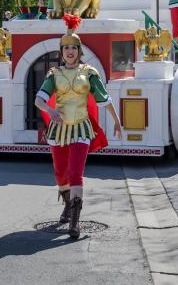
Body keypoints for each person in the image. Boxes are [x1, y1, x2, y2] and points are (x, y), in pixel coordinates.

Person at [34, 14, 123, 239]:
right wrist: (51, 111)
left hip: (81, 130)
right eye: (66, 48)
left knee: (76, 173)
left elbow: (104, 99)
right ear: (61, 52)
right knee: (60, 175)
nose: (70, 52)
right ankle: (66, 204)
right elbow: (39, 100)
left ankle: (75, 221)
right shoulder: (54, 74)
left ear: (79, 50)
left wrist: (117, 122)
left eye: (74, 48)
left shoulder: (89, 73)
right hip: (58, 131)